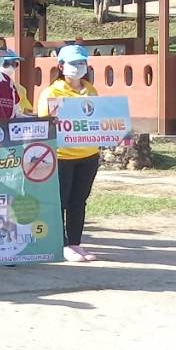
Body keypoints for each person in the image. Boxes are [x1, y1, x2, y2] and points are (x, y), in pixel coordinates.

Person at [38, 44, 100, 262]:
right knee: (60, 200)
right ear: (61, 66)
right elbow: (47, 125)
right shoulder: (52, 92)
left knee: (79, 200)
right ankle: (61, 243)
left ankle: (76, 242)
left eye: (82, 63)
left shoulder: (90, 89)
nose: (79, 67)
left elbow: (98, 119)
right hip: (62, 156)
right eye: (74, 63)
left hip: (89, 155)